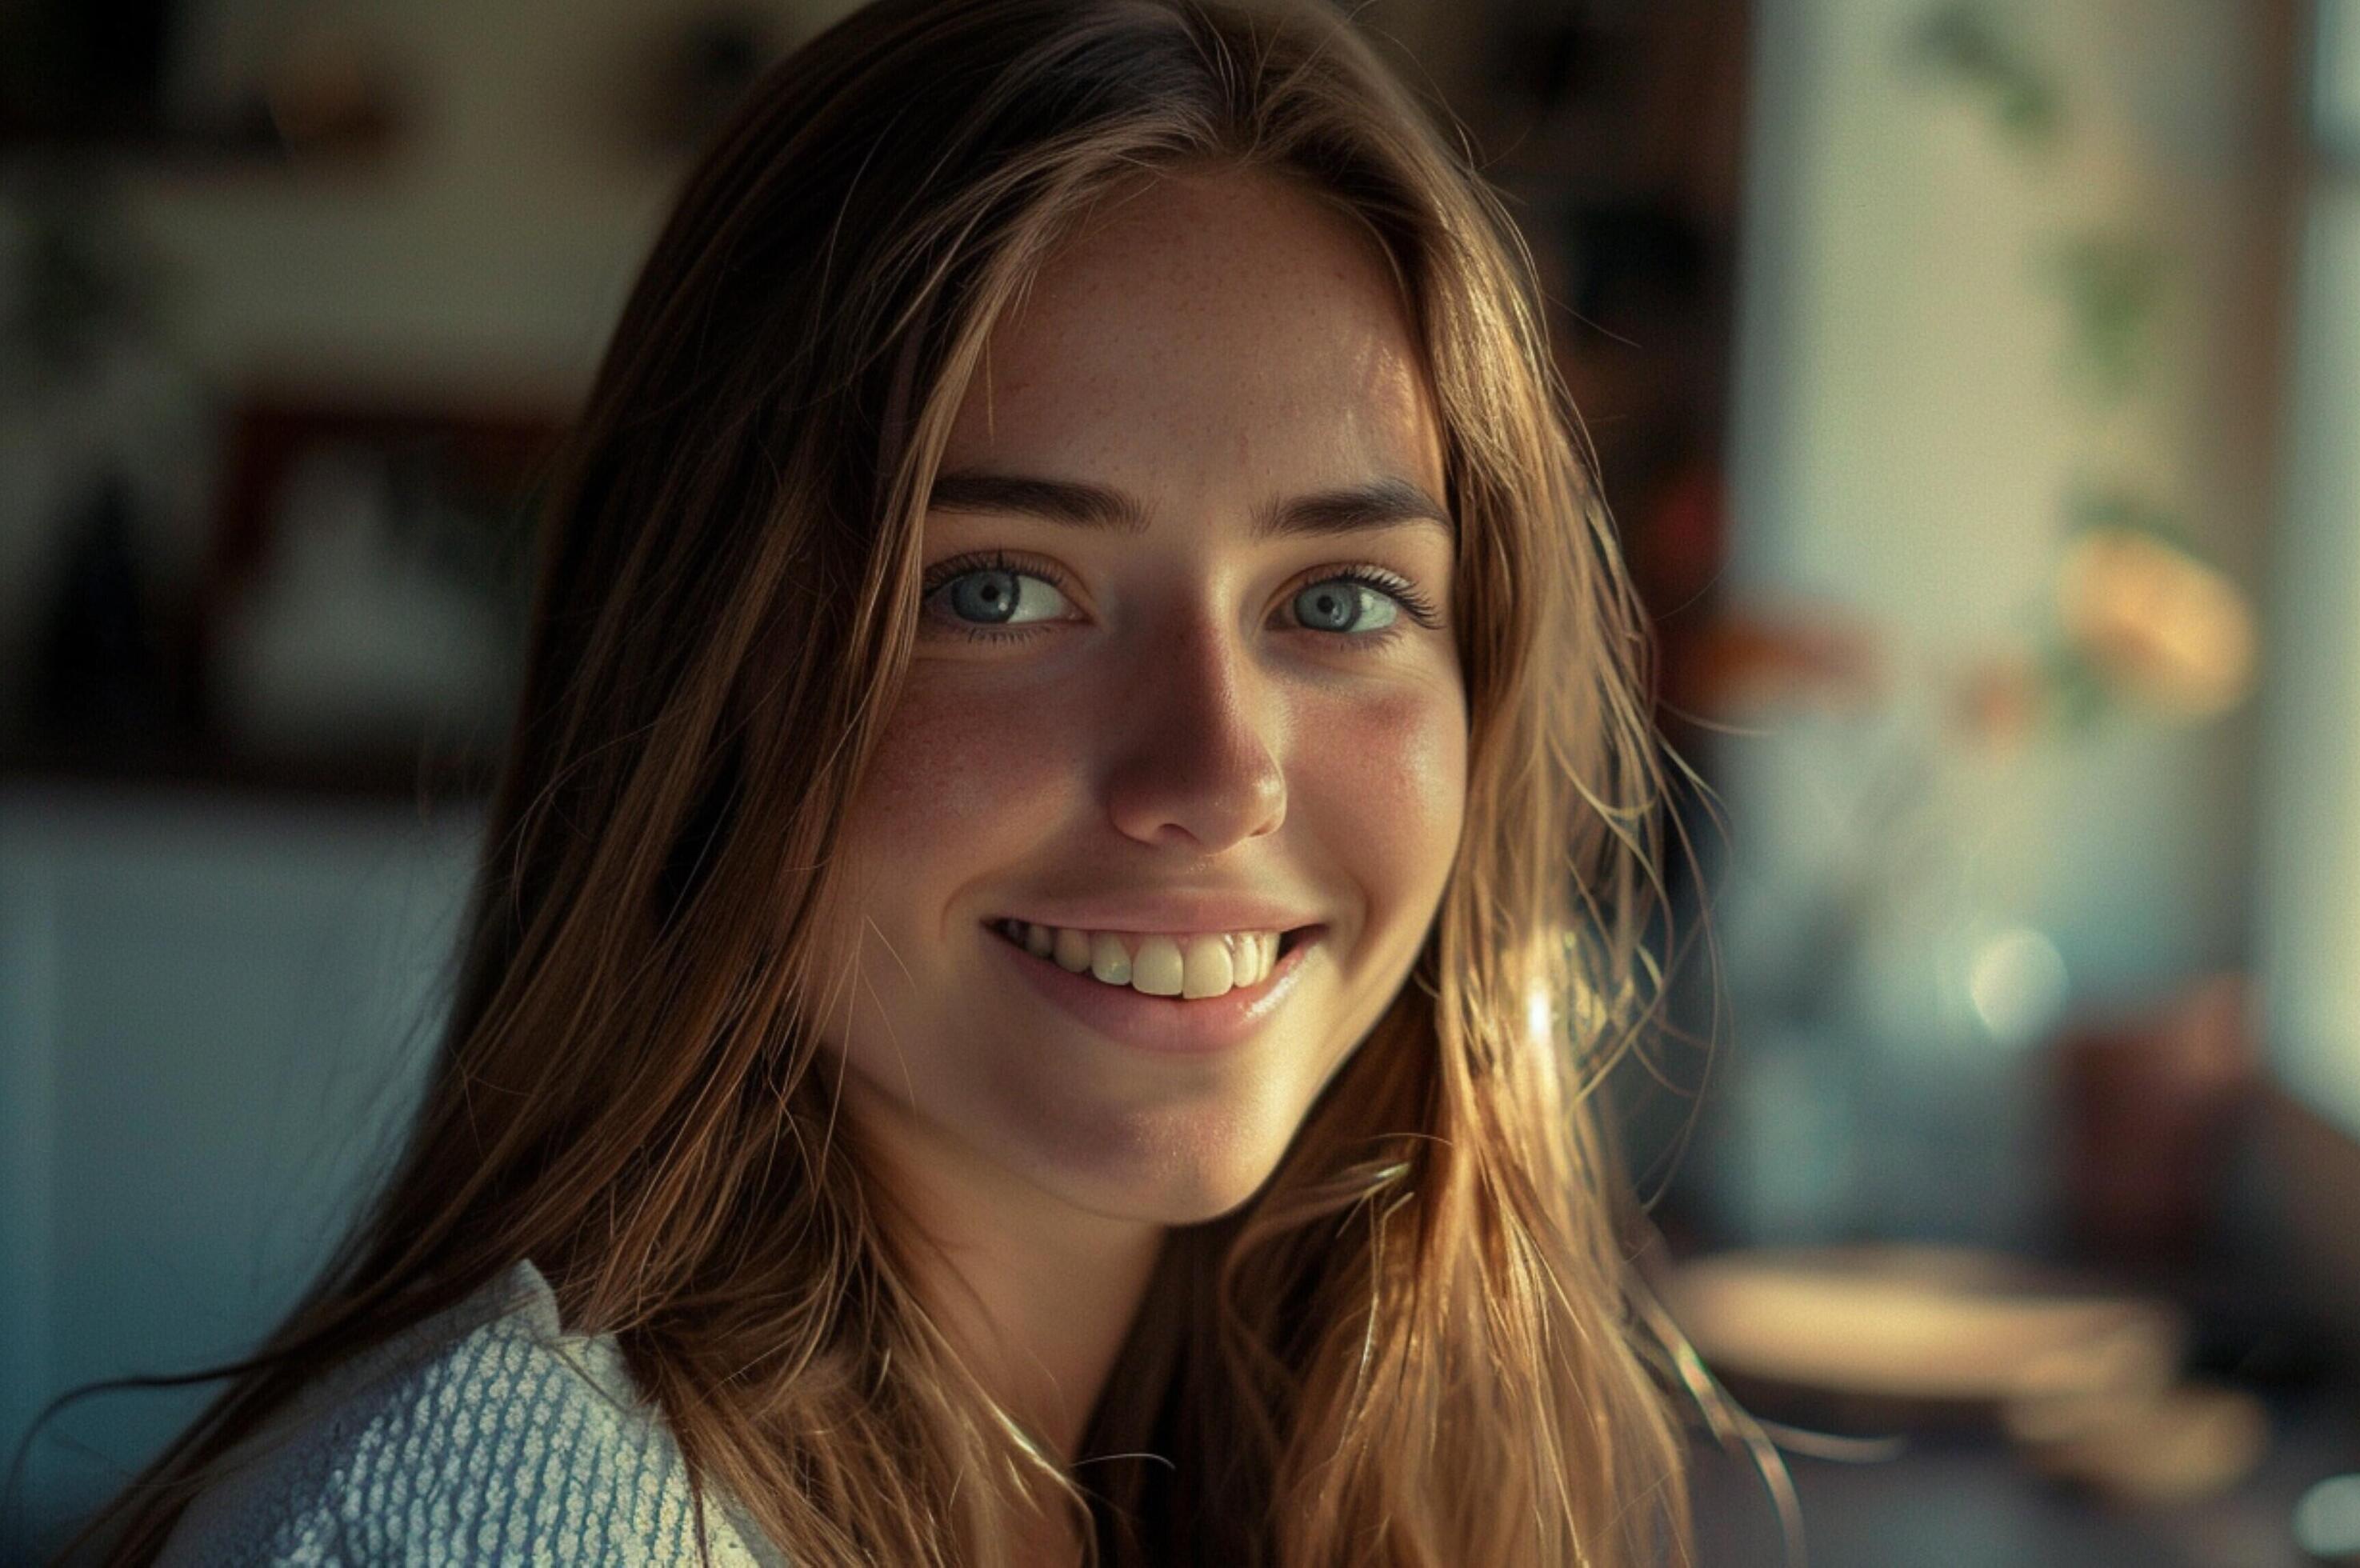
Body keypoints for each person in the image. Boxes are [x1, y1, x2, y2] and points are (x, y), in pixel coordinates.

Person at [75, 0, 1701, 1562]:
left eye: (1338, 600)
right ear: (704, 664)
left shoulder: (1305, 1475)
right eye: (996, 588)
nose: (1217, 775)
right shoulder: (466, 1529)